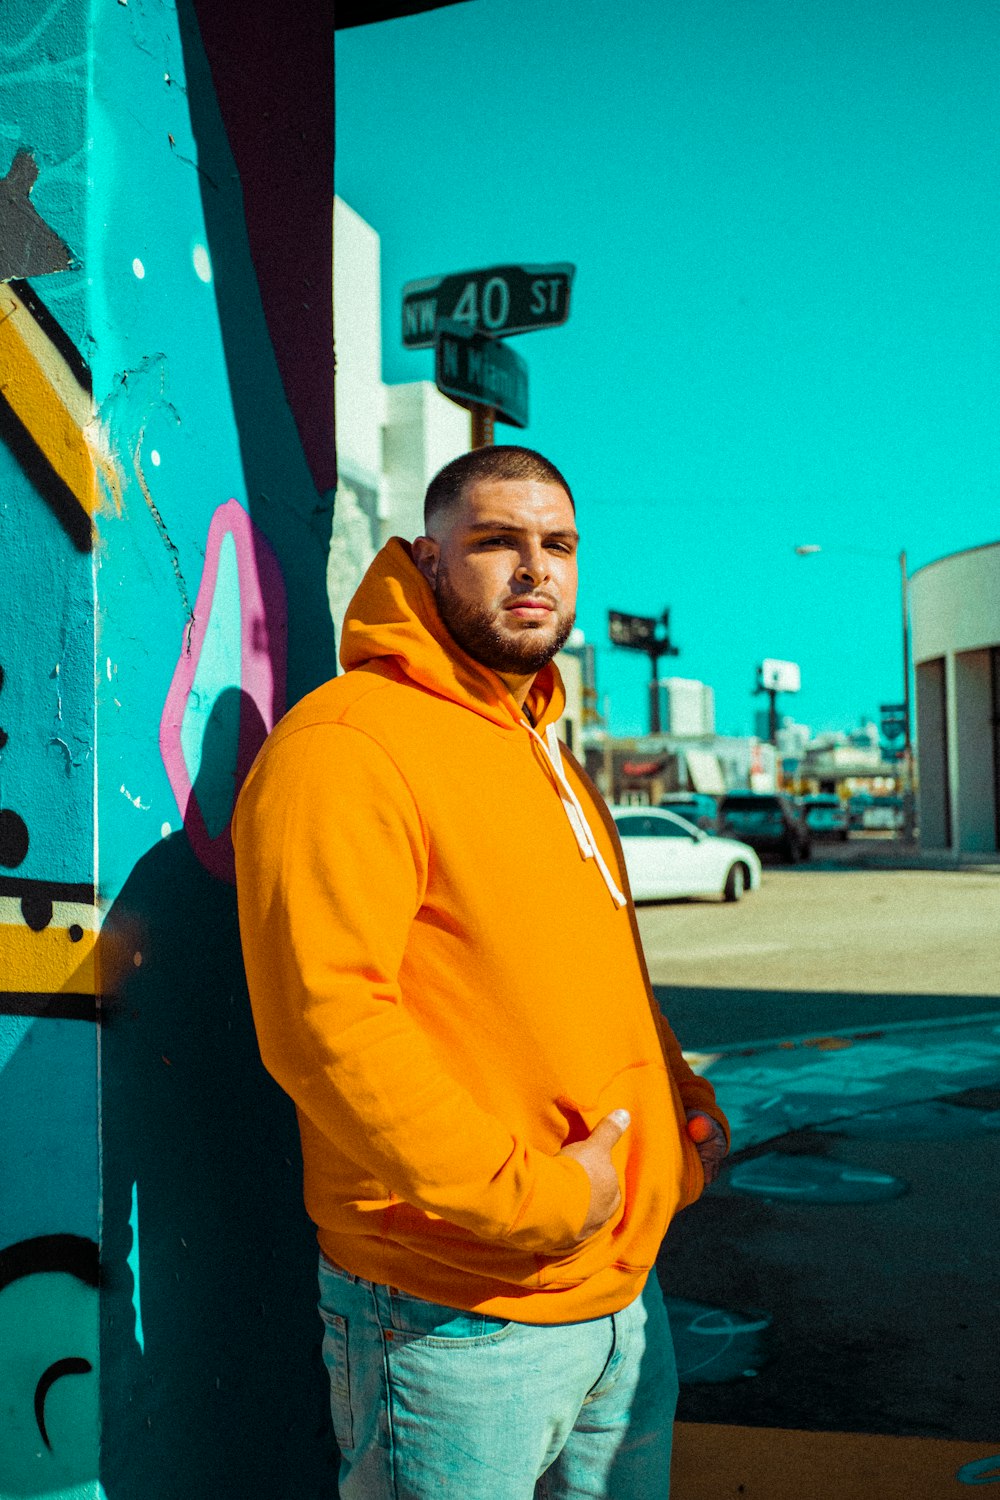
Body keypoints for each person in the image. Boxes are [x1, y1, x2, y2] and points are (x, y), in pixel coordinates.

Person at [232, 445, 729, 1500]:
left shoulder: (549, 751)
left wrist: (677, 1107)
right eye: (497, 541)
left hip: (618, 1300)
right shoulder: (348, 745)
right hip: (451, 1318)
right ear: (427, 557)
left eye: (556, 545)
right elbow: (327, 1029)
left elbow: (591, 974)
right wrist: (537, 1201)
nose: (533, 570)